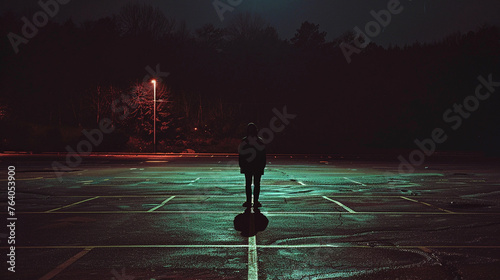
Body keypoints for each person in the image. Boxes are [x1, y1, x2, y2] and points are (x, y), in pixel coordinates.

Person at [238, 123, 266, 207]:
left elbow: (241, 154)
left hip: (248, 165)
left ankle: (249, 201)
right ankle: (256, 201)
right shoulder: (259, 141)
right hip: (257, 165)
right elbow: (263, 155)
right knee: (256, 184)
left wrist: (241, 165)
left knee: (248, 183)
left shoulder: (245, 141)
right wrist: (262, 165)